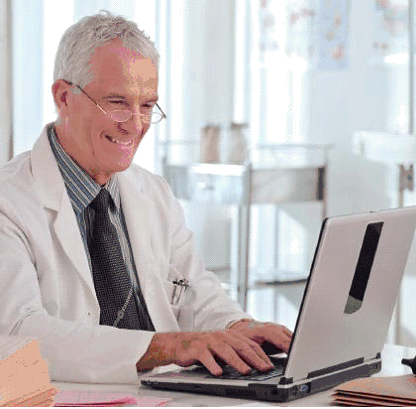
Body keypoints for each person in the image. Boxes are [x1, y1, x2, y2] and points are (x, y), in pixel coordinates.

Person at [0, 12, 292, 384]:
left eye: (147, 105)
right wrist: (166, 347)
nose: (136, 125)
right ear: (63, 97)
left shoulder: (152, 194)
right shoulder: (9, 202)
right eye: (117, 102)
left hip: (170, 394)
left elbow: (195, 291)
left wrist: (239, 326)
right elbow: (18, 334)